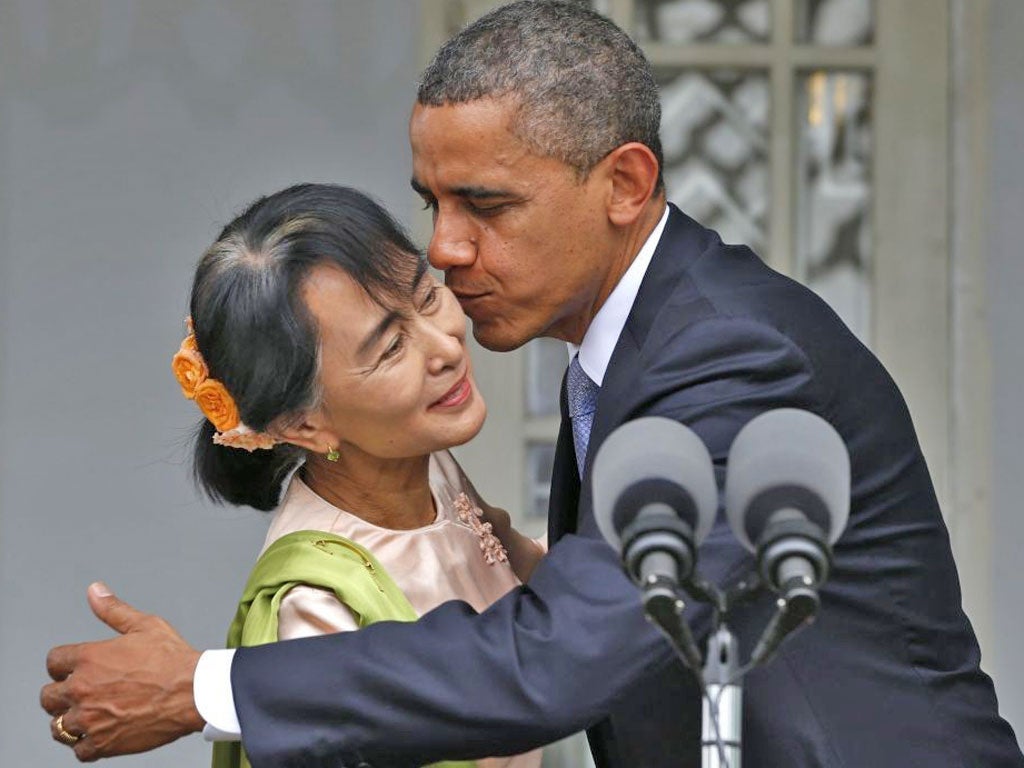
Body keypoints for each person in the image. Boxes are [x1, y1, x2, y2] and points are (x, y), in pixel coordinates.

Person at [41, 2, 1023, 767]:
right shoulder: (628, 339)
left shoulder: (725, 360)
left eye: (486, 204)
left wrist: (204, 690)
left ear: (626, 185)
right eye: (432, 201)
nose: (444, 249)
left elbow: (560, 663)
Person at [173, 183, 543, 768]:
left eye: (425, 298)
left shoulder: (428, 468)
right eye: (392, 346)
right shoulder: (316, 609)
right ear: (303, 424)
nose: (443, 344)